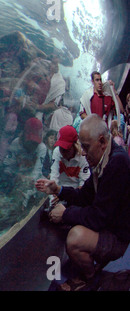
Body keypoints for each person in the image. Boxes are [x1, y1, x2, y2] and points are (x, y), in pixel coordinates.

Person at [35, 114, 130, 291]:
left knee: (75, 238)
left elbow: (98, 217)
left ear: (101, 141)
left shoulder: (117, 163)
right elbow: (85, 195)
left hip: (119, 237)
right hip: (110, 226)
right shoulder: (104, 160)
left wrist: (65, 213)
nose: (83, 153)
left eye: (86, 147)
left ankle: (91, 278)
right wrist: (58, 190)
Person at [48, 125, 89, 209]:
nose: (63, 152)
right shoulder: (57, 152)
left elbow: (84, 186)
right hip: (59, 191)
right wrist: (53, 200)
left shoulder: (83, 157)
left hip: (76, 194)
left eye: (66, 149)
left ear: (74, 145)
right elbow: (54, 177)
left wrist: (65, 195)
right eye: (61, 148)